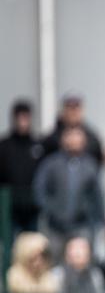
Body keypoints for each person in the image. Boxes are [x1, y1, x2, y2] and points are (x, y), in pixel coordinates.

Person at [32, 125, 105, 250]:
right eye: (70, 136)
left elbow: (97, 195)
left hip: (82, 226)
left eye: (78, 136)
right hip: (55, 227)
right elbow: (39, 190)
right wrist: (51, 209)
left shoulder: (90, 166)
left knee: (80, 260)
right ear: (63, 139)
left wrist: (96, 221)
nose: (74, 140)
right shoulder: (51, 164)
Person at [0, 100, 45, 235]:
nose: (23, 121)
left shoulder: (38, 145)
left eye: (26, 117)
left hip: (33, 208)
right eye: (20, 117)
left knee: (32, 245)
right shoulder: (4, 146)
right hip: (9, 207)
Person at [41, 93, 104, 167]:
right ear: (64, 111)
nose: (73, 113)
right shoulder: (52, 140)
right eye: (70, 108)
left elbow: (97, 164)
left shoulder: (92, 139)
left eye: (76, 108)